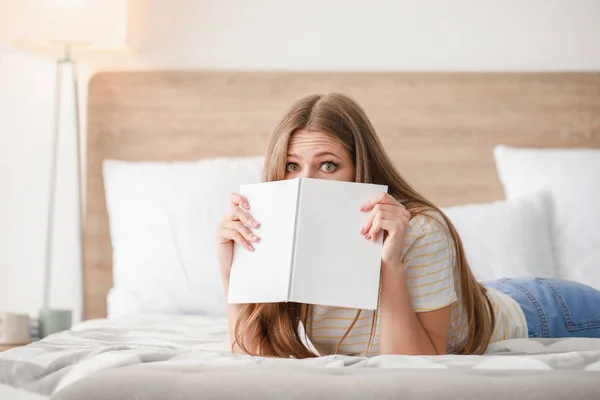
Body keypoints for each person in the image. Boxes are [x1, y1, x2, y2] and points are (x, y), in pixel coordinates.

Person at [216, 93, 600, 358]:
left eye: (328, 165)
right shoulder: (279, 230)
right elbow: (254, 354)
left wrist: (389, 265)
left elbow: (414, 362)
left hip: (546, 313)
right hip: (474, 299)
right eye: (292, 166)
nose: (306, 182)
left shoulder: (419, 229)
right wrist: (232, 269)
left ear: (359, 169)